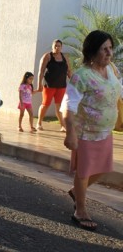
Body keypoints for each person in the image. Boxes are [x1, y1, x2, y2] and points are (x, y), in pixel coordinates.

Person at [61, 30, 120, 231]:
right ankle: (80, 209)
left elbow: (117, 90)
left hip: (105, 131)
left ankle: (76, 191)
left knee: (103, 169)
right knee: (84, 171)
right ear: (93, 51)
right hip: (85, 131)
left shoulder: (111, 69)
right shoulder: (81, 76)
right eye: (104, 49)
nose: (109, 52)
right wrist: (70, 133)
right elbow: (70, 106)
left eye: (110, 48)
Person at [36, 39, 72, 131]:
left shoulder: (65, 57)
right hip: (49, 85)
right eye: (55, 46)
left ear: (61, 47)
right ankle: (39, 123)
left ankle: (62, 126)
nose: (57, 47)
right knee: (45, 104)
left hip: (61, 86)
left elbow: (69, 71)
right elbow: (41, 71)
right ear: (52, 47)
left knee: (59, 106)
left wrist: (73, 81)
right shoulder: (47, 56)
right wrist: (39, 84)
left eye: (59, 46)